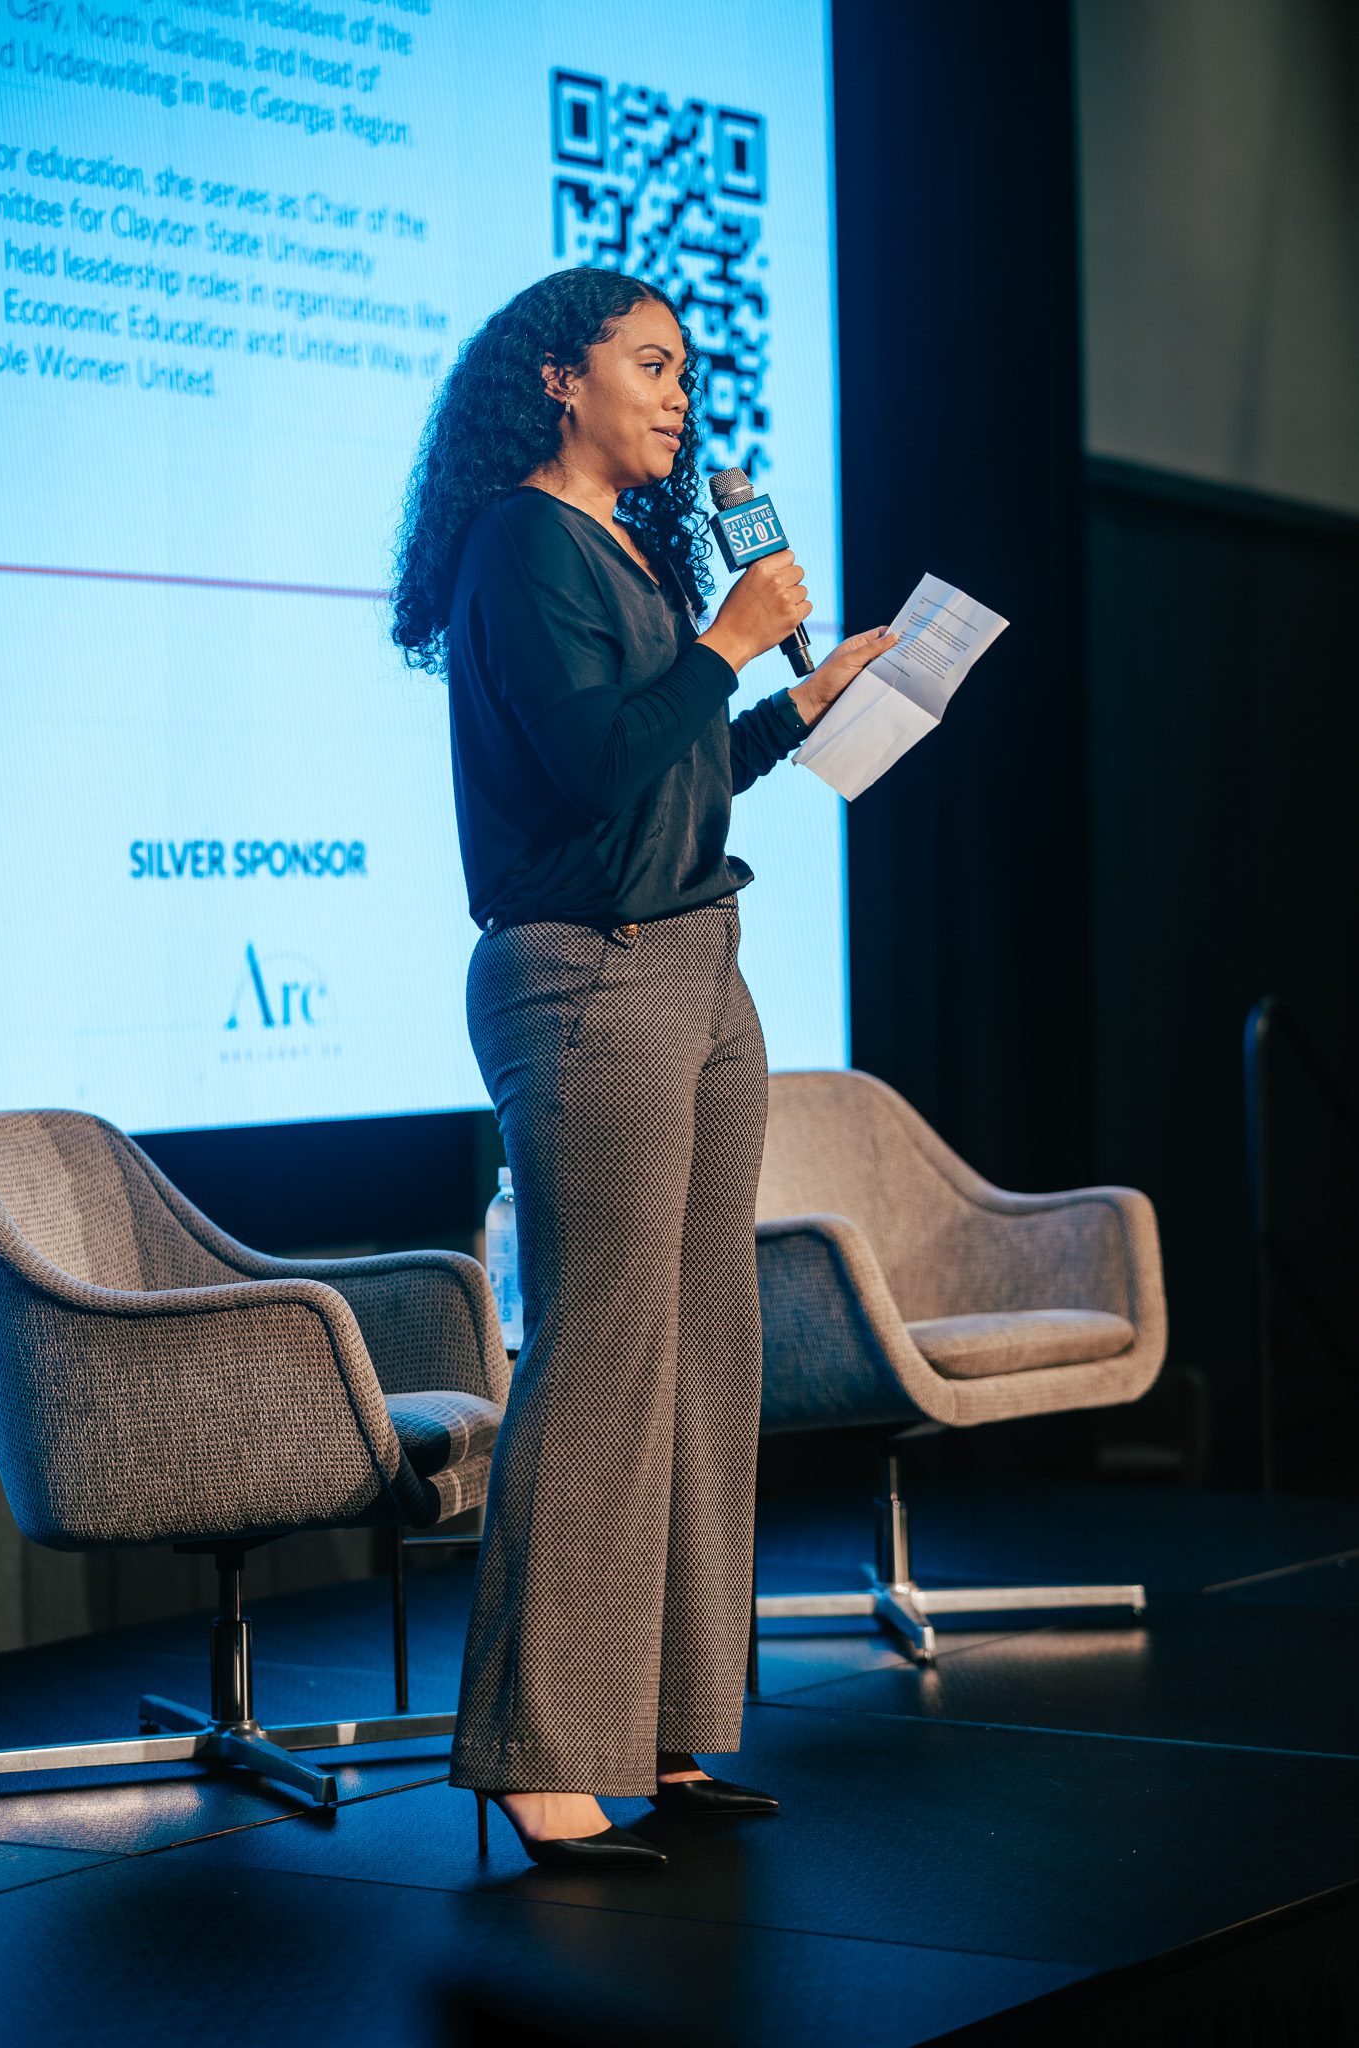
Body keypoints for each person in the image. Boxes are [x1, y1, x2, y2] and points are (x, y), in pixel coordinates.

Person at [391, 265, 896, 1870]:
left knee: (701, 1354)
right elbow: (594, 765)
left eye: (687, 372)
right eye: (649, 365)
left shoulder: (624, 547)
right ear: (557, 380)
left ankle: (663, 1731)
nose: (681, 396)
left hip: (700, 963)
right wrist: (735, 645)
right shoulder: (517, 547)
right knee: (607, 1354)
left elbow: (670, 777)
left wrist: (793, 704)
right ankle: (541, 1753)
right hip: (586, 979)